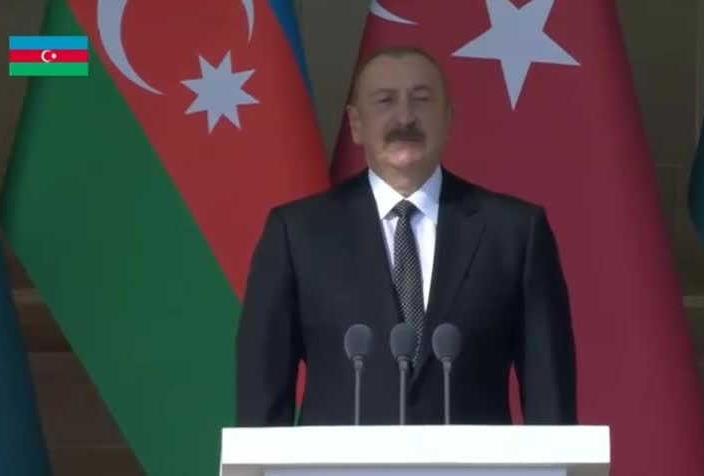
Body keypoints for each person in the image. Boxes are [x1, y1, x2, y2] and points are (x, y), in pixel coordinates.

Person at [236, 45, 577, 426]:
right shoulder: (297, 233)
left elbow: (551, 398)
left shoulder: (514, 232)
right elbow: (262, 399)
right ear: (356, 124)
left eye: (421, 99)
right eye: (384, 101)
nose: (405, 117)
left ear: (449, 119)